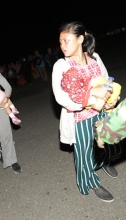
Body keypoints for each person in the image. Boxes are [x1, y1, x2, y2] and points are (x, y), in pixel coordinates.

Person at [52, 21, 119, 202]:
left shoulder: (95, 58)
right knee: (84, 152)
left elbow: (106, 80)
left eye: (66, 40)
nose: (62, 46)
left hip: (102, 111)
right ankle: (89, 182)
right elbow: (61, 98)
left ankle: (103, 163)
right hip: (79, 118)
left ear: (81, 39)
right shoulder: (61, 66)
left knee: (105, 141)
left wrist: (110, 99)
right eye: (61, 42)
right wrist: (92, 96)